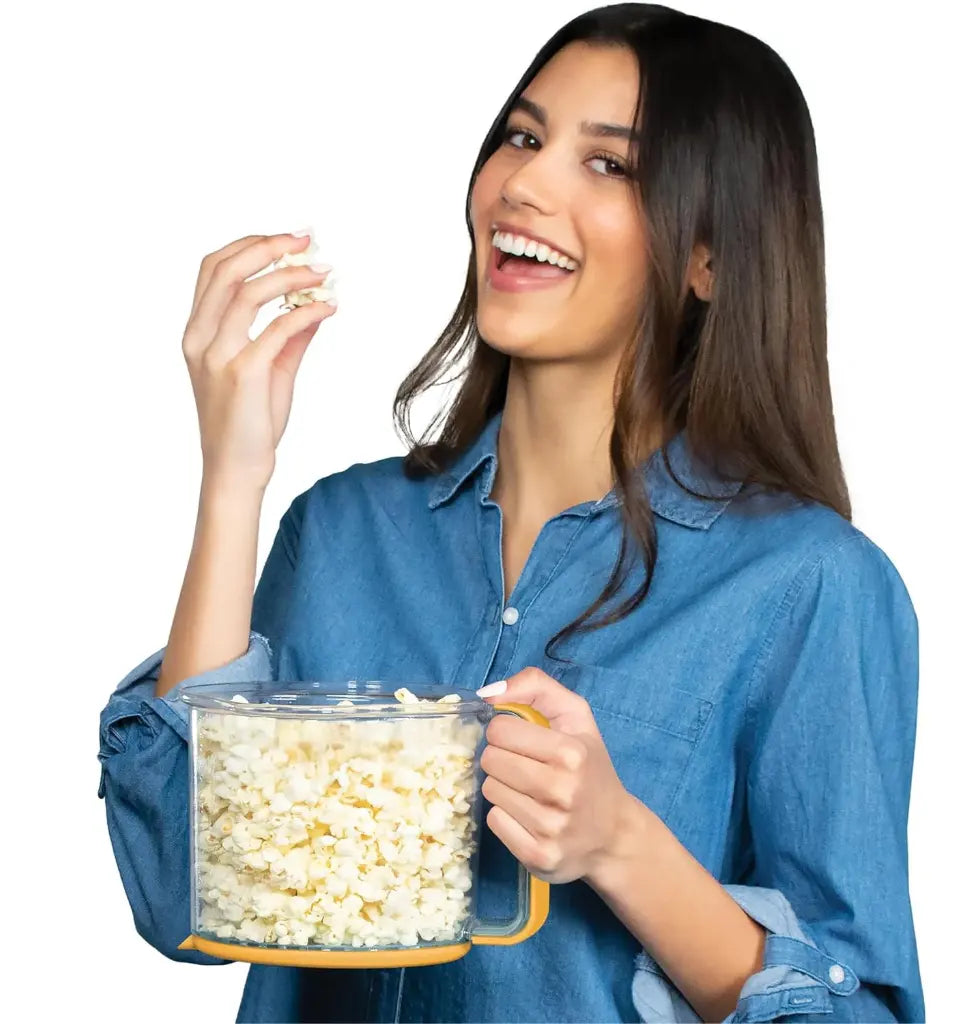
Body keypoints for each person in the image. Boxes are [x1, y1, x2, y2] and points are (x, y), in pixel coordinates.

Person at [96, 4, 925, 1022]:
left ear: (708, 254)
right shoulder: (345, 533)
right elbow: (183, 903)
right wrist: (232, 479)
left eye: (609, 164)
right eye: (523, 138)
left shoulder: (808, 584)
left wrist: (621, 842)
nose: (523, 184)